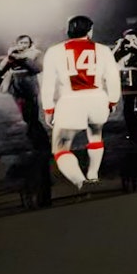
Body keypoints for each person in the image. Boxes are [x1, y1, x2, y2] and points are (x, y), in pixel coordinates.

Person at [41, 16, 121, 189]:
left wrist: (48, 108)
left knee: (61, 148)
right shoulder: (103, 50)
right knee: (95, 135)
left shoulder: (55, 51)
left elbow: (48, 83)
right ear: (90, 30)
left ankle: (81, 182)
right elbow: (113, 78)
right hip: (97, 99)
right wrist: (113, 100)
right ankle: (93, 175)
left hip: (71, 101)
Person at [0, 35, 46, 149]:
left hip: (30, 88)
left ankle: (41, 141)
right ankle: (34, 137)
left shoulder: (35, 53)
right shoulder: (13, 54)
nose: (23, 45)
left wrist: (23, 59)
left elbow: (37, 69)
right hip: (16, 89)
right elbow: (1, 69)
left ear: (30, 44)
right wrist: (9, 58)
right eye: (21, 43)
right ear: (16, 43)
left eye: (26, 43)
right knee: (26, 116)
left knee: (33, 116)